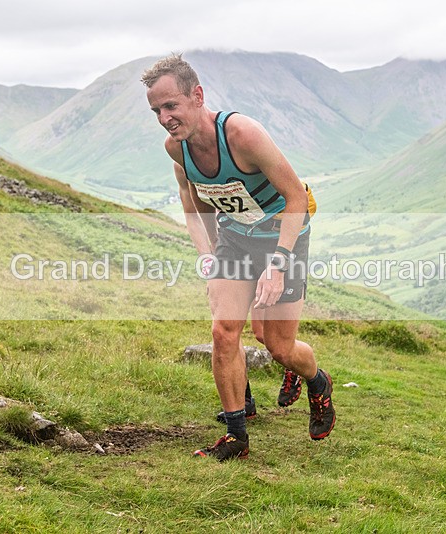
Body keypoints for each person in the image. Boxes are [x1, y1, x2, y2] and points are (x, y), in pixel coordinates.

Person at [142, 54, 335, 461]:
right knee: (224, 331)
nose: (164, 117)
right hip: (236, 240)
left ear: (197, 96)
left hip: (284, 237)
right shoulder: (176, 149)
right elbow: (192, 203)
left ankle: (318, 383)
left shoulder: (243, 135)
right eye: (156, 110)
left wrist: (278, 265)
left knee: (277, 345)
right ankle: (236, 438)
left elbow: (296, 197)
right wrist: (206, 258)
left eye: (171, 106)